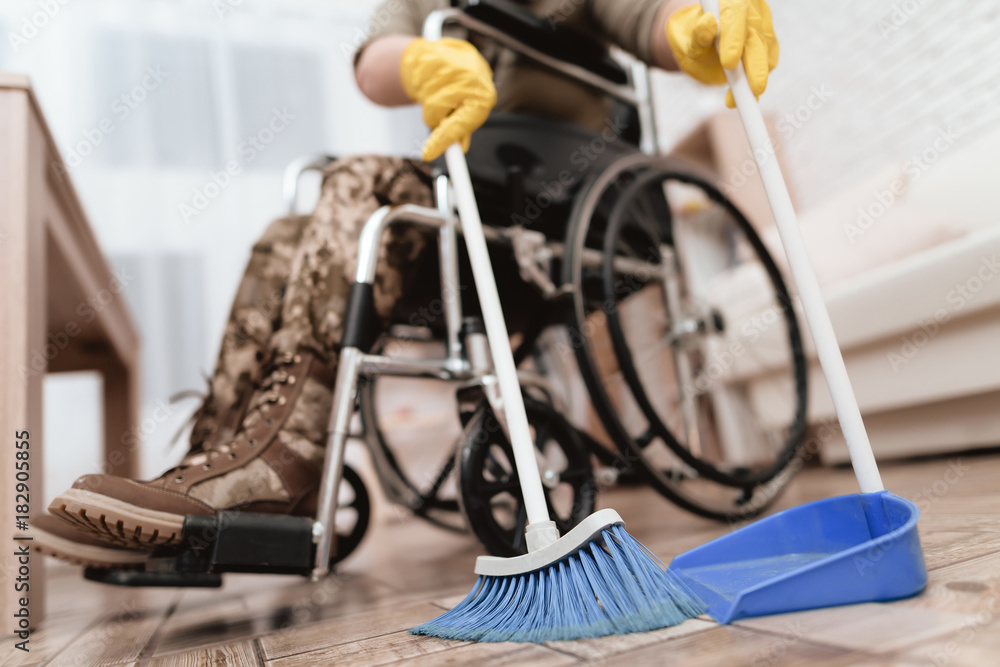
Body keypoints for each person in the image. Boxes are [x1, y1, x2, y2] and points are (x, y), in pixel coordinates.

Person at [34, 0, 778, 566]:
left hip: (578, 196)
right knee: (285, 234)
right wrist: (421, 60)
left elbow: (645, 16)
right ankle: (221, 459)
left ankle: (285, 458)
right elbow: (375, 58)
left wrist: (696, 27)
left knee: (361, 177)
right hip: (469, 193)